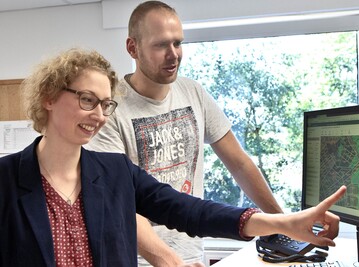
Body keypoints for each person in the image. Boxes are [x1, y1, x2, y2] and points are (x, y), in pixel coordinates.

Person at [0, 47, 347, 267]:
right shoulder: (6, 179)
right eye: (87, 100)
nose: (99, 115)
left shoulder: (114, 172)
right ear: (48, 97)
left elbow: (189, 210)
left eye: (106, 105)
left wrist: (285, 222)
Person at [86, 1, 284, 265]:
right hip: (140, 260)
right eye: (160, 45)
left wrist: (283, 224)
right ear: (132, 47)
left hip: (192, 255)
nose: (173, 54)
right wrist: (171, 262)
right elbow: (119, 202)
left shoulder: (194, 93)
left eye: (177, 43)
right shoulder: (110, 110)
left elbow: (239, 163)